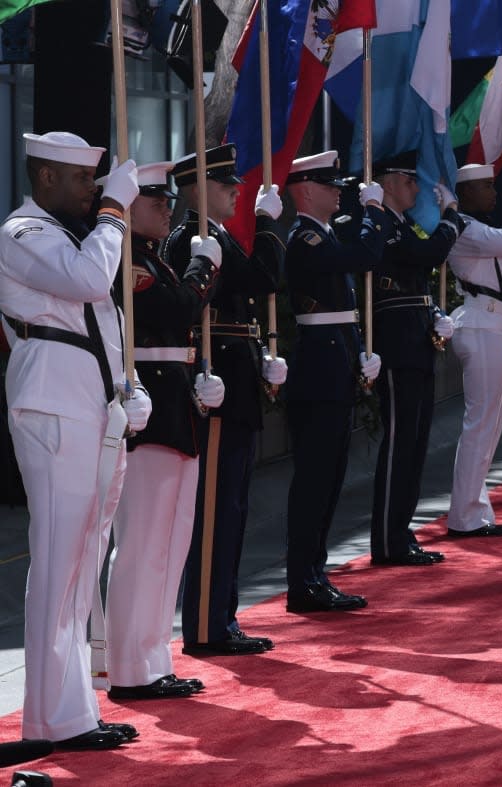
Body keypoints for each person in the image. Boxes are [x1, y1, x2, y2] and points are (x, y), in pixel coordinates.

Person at [0, 132, 150, 749]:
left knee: (82, 559)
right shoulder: (21, 234)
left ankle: (71, 712)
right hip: (53, 398)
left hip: (86, 396)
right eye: (83, 181)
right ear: (46, 180)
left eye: (95, 181)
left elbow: (102, 321)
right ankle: (46, 720)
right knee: (61, 559)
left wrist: (125, 385)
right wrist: (116, 211)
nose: (92, 191)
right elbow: (90, 282)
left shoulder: (64, 235)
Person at [165, 143, 287, 655]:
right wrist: (266, 225)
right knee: (215, 510)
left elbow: (254, 289)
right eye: (225, 184)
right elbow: (264, 278)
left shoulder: (213, 236)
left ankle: (221, 617)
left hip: (234, 380)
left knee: (231, 507)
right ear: (196, 189)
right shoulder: (190, 240)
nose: (236, 190)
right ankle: (208, 624)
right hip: (215, 384)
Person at [106, 161, 220, 701]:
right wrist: (203, 268)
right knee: (142, 543)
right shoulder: (130, 261)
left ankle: (154, 657)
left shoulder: (152, 258)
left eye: (168, 200)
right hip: (148, 404)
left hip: (174, 400)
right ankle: (129, 665)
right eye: (155, 201)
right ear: (126, 206)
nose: (167, 209)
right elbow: (177, 309)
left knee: (171, 542)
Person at [283, 150, 386, 605]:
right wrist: (375, 212)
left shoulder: (322, 233)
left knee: (330, 478)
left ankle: (314, 575)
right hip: (319, 369)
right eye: (330, 185)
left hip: (336, 361)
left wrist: (358, 352)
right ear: (305, 191)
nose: (339, 191)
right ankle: (303, 580)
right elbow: (363, 255)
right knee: (315, 479)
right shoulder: (305, 235)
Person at [368, 150, 466, 565]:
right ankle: (388, 540)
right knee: (399, 445)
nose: (416, 188)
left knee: (416, 443)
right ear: (388, 182)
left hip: (417, 339)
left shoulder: (402, 223)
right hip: (396, 343)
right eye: (409, 181)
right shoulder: (379, 223)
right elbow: (422, 255)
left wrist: (434, 314)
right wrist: (450, 220)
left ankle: (400, 531)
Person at [445, 164, 502, 536]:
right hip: (480, 327)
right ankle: (465, 515)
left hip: (495, 325)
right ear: (465, 193)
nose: (493, 193)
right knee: (480, 426)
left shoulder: (478, 227)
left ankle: (474, 510)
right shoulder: (465, 228)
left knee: (488, 426)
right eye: (485, 186)